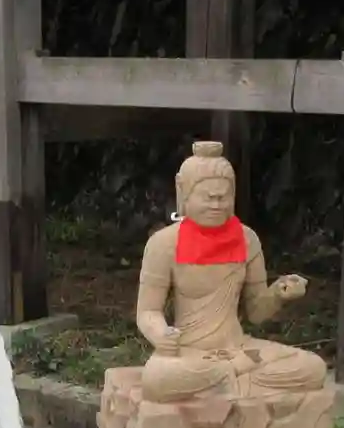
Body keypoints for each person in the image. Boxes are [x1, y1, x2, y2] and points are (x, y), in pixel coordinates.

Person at [135, 142, 327, 404]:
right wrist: (161, 334)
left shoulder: (246, 239)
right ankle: (237, 379)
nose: (217, 205)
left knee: (313, 368)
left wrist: (278, 294)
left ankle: (226, 383)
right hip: (191, 351)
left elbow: (257, 313)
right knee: (157, 380)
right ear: (184, 194)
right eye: (208, 197)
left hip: (238, 347)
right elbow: (147, 311)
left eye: (223, 197)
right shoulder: (164, 244)